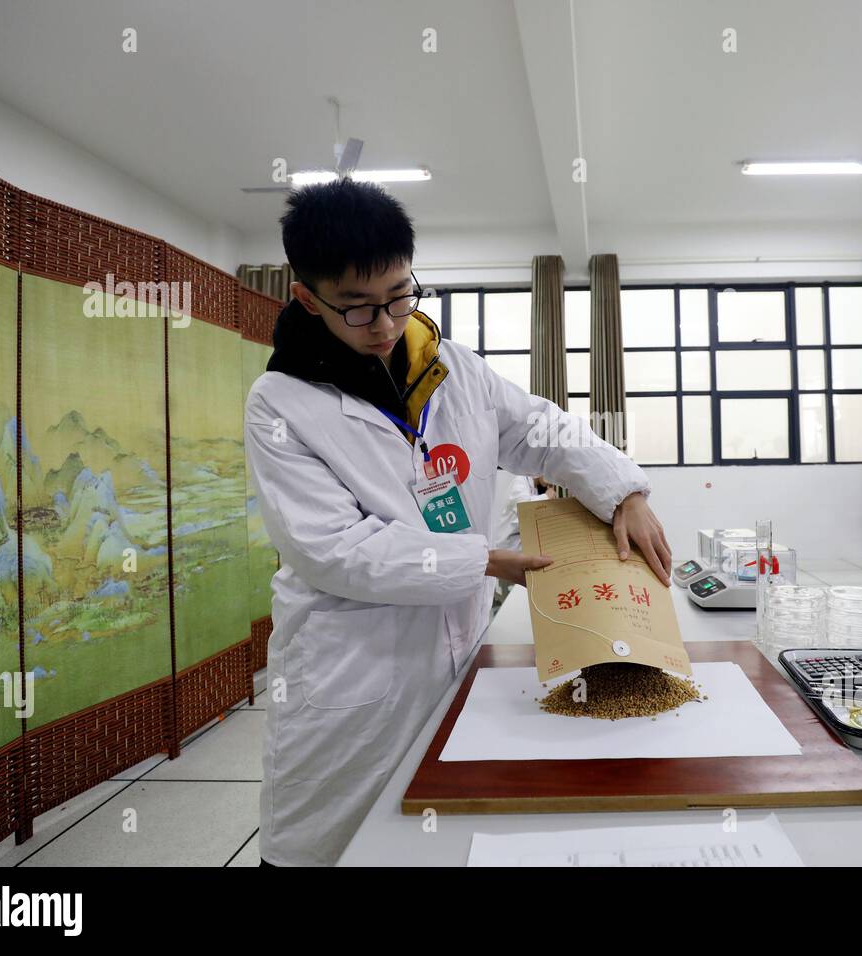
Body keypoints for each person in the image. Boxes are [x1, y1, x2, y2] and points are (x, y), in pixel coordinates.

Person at [244, 180, 673, 866]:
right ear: (308, 298)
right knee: (326, 844)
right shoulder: (281, 403)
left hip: (457, 648)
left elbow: (539, 429)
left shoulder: (452, 368)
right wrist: (483, 563)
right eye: (356, 308)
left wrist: (623, 491)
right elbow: (333, 550)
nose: (384, 323)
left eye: (398, 294)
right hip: (354, 670)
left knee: (442, 832)